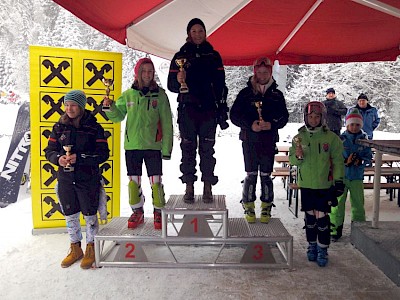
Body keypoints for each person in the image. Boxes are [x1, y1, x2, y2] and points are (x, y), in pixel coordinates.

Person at [104, 57, 173, 230]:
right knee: (133, 184)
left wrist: (167, 148)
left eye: (150, 71)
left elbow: (166, 123)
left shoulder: (160, 95)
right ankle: (137, 211)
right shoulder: (128, 94)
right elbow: (118, 116)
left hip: (153, 146)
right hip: (132, 146)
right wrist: (110, 107)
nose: (147, 74)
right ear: (137, 73)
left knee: (156, 183)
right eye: (144, 71)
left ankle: (158, 212)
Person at [44, 90, 110, 269]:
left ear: (81, 106)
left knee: (90, 216)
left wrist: (79, 158)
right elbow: (49, 150)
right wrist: (58, 158)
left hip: (87, 179)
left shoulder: (94, 127)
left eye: (73, 105)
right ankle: (75, 248)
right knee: (70, 215)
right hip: (65, 180)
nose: (69, 108)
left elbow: (103, 154)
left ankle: (91, 247)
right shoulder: (58, 127)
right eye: (66, 105)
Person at [167, 18, 227, 203]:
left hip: (208, 110)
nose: (197, 34)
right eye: (194, 31)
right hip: (188, 109)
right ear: (188, 34)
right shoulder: (180, 56)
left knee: (207, 149)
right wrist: (178, 80)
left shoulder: (213, 55)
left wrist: (222, 109)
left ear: (205, 32)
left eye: (200, 31)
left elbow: (221, 85)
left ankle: (208, 185)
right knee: (187, 148)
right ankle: (189, 186)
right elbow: (171, 85)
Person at [230, 57, 289, 224]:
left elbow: (284, 117)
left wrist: (271, 124)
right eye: (259, 72)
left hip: (268, 140)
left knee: (265, 174)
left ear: (270, 72)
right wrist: (250, 125)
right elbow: (234, 116)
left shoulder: (277, 94)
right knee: (251, 174)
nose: (262, 75)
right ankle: (248, 204)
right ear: (254, 72)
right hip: (249, 139)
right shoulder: (245, 93)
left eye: (265, 72)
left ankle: (266, 205)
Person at [289, 101, 345, 267]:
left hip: (324, 185)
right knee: (310, 219)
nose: (313, 120)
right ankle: (312, 245)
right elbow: (293, 160)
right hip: (306, 185)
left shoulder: (331, 138)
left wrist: (339, 181)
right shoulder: (299, 137)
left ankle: (323, 248)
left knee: (322, 219)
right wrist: (298, 156)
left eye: (317, 117)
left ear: (323, 117)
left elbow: (338, 162)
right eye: (310, 117)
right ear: (305, 118)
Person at [330, 108, 372, 242]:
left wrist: (360, 161)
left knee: (358, 205)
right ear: (347, 125)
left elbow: (369, 159)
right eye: (352, 124)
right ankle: (334, 230)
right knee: (337, 205)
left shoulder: (364, 141)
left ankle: (360, 231)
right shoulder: (340, 140)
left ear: (361, 125)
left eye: (357, 125)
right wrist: (345, 161)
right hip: (341, 177)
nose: (354, 127)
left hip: (356, 178)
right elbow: (334, 158)